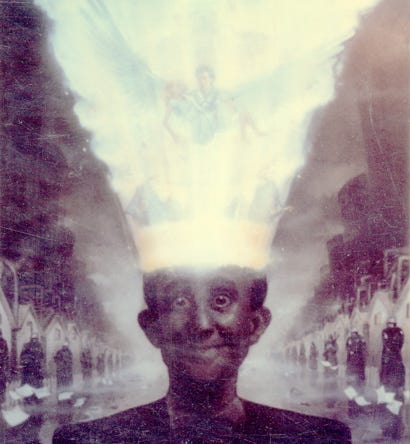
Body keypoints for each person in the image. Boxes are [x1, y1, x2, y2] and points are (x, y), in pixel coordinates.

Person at [53, 266, 351, 443]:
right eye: (179, 302)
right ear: (151, 327)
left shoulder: (321, 438)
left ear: (255, 325)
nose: (202, 324)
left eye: (221, 300)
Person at [379, 317, 405, 440]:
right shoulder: (388, 359)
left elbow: (401, 377)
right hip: (390, 387)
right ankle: (389, 431)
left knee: (394, 409)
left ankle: (394, 432)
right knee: (390, 409)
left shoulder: (395, 359)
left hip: (393, 388)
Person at [345, 329, 366, 417]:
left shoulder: (359, 355)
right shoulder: (351, 341)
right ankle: (352, 411)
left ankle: (356, 410)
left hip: (357, 373)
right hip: (353, 373)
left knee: (357, 391)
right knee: (353, 391)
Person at [323, 334, 339, 408]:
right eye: (328, 338)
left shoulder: (334, 344)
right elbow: (324, 354)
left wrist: (331, 347)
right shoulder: (326, 344)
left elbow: (336, 350)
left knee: (333, 381)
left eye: (330, 338)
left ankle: (333, 398)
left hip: (333, 361)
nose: (329, 340)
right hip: (328, 362)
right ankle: (328, 397)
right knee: (328, 381)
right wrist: (326, 349)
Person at [0, 329, 8, 405]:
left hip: (2, 365)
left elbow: (6, 354)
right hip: (2, 365)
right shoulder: (3, 342)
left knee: (2, 383)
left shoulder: (3, 342)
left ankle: (2, 399)